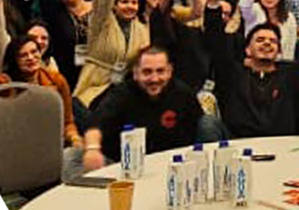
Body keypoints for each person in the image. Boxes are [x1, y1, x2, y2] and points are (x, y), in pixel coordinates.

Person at [76, 45, 210, 178]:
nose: (154, 79)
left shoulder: (183, 94)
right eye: (147, 72)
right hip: (124, 169)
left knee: (209, 123)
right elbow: (96, 124)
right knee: (73, 156)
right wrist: (93, 149)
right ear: (135, 73)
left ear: (169, 71)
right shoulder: (121, 94)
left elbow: (199, 130)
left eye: (160, 71)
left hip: (174, 168)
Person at [202, 0, 295, 138]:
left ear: (279, 51)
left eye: (272, 41)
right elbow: (216, 43)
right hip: (238, 144)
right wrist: (213, 4)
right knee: (208, 124)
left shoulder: (290, 74)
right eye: (260, 40)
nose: (267, 43)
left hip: (281, 144)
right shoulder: (233, 73)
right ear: (247, 50)